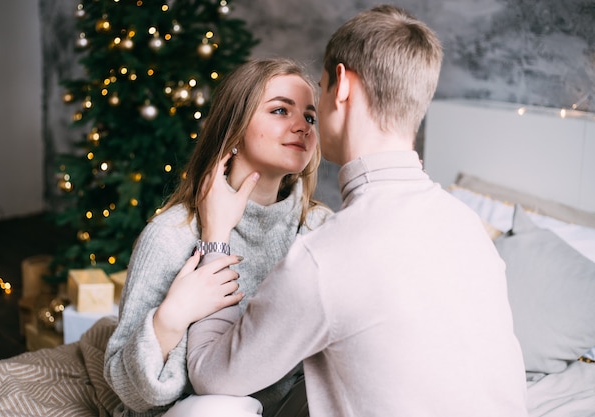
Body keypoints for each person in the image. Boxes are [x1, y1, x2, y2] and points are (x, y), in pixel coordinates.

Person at [185, 5, 529, 417]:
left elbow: (211, 373)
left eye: (321, 89)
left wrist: (216, 236)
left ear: (343, 85)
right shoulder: (468, 227)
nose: (305, 122)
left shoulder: (325, 257)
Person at [103, 57, 332, 417]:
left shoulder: (319, 227)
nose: (302, 126)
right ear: (235, 130)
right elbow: (128, 390)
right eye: (279, 111)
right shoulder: (171, 236)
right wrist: (171, 318)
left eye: (309, 116)